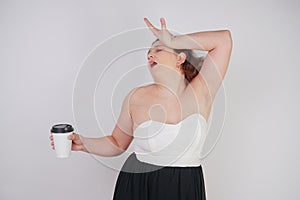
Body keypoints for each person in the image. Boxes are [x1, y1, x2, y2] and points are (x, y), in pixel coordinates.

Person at [49, 17, 233, 200]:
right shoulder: (136, 96)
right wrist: (83, 143)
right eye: (148, 53)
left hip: (185, 185)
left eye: (158, 49)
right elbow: (117, 143)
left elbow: (223, 40)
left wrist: (173, 40)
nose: (150, 55)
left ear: (180, 58)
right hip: (139, 185)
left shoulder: (202, 90)